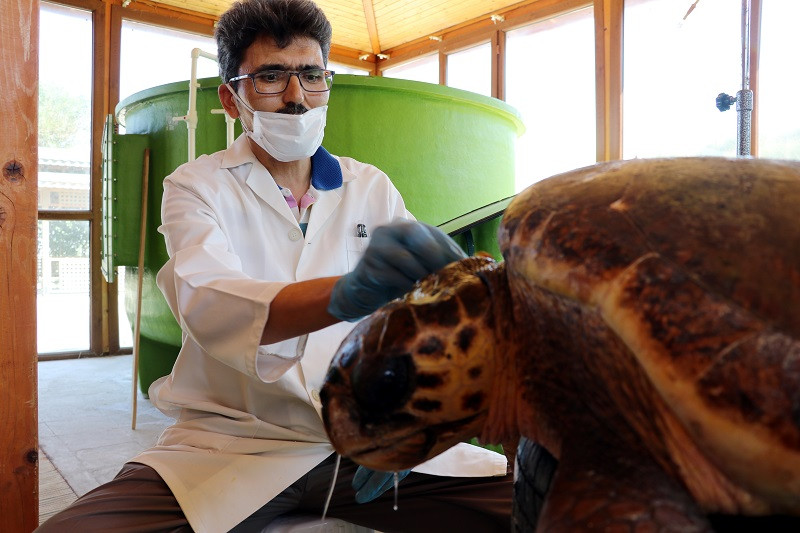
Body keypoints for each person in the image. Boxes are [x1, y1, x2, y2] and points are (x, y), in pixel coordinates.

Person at [37, 0, 514, 531]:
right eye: (270, 77)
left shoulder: (370, 186)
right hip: (234, 443)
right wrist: (346, 292)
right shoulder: (197, 186)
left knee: (550, 504)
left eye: (312, 76)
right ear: (231, 96)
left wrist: (425, 413)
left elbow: (420, 315)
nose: (296, 98)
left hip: (368, 435)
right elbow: (208, 301)